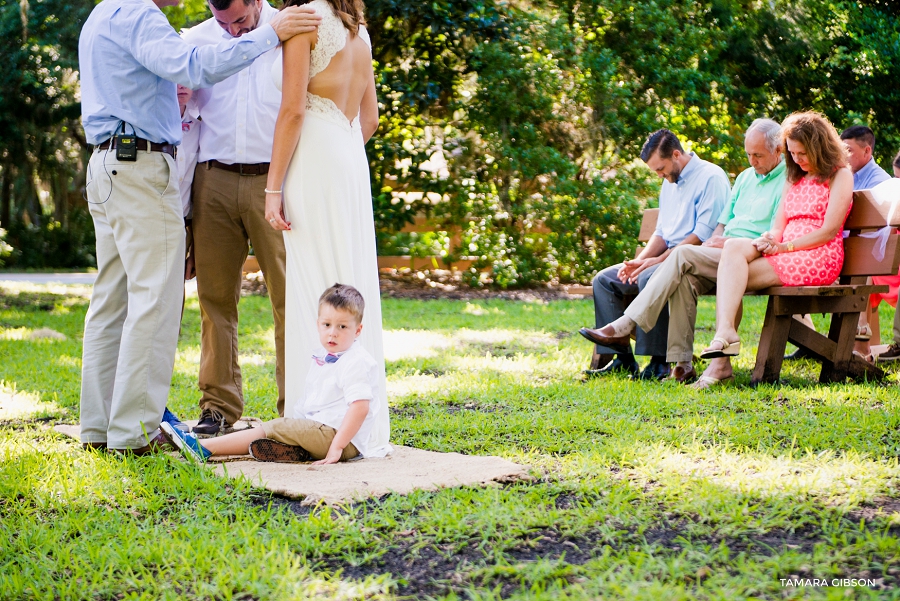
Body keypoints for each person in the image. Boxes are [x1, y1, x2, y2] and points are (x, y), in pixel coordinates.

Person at [77, 0, 319, 454]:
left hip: (110, 163)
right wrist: (270, 33)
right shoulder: (142, 16)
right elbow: (193, 65)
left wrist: (172, 102)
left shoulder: (104, 12)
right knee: (153, 301)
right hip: (140, 165)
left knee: (113, 300)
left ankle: (100, 427)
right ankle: (134, 434)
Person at [182, 0, 321, 436]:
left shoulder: (291, 29)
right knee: (215, 300)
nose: (234, 31)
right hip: (213, 180)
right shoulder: (195, 42)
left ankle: (294, 407)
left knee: (290, 301)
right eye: (223, 22)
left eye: (240, 20)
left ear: (257, 2)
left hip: (276, 182)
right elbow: (184, 121)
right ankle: (217, 407)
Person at [263, 0, 388, 450]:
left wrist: (272, 187)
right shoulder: (359, 28)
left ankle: (312, 420)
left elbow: (293, 111)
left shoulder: (305, 22)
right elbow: (369, 117)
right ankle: (360, 426)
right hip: (350, 156)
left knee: (313, 284)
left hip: (315, 157)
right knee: (349, 281)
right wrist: (341, 147)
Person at [581, 119, 786, 389]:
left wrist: (717, 242)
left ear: (779, 151)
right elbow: (722, 223)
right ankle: (681, 364)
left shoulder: (781, 179)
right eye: (748, 154)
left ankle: (629, 327)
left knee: (681, 258)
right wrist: (716, 239)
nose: (751, 161)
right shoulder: (746, 177)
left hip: (747, 255)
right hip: (716, 252)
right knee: (677, 278)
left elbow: (772, 232)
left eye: (757, 155)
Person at [161, 284, 391, 463]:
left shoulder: (356, 361)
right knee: (280, 429)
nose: (333, 333)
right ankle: (294, 451)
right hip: (323, 430)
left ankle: (204, 448)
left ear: (357, 330)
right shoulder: (325, 353)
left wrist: (338, 447)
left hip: (340, 438)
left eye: (343, 327)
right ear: (318, 323)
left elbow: (360, 407)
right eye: (327, 324)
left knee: (277, 426)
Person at [699, 111, 853, 362]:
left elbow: (828, 231)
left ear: (819, 147)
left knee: (733, 276)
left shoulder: (840, 175)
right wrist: (769, 239)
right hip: (786, 251)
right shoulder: (794, 177)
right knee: (734, 248)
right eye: (792, 153)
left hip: (818, 256)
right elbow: (779, 226)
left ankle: (723, 350)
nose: (797, 159)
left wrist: (784, 247)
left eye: (802, 153)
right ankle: (726, 332)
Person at [578, 129, 730, 380]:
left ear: (676, 154)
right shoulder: (668, 182)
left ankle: (658, 363)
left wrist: (654, 262)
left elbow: (702, 235)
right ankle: (623, 360)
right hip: (665, 256)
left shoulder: (711, 177)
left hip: (692, 260)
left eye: (661, 168)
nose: (659, 174)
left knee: (649, 276)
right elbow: (661, 232)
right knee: (604, 280)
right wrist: (639, 260)